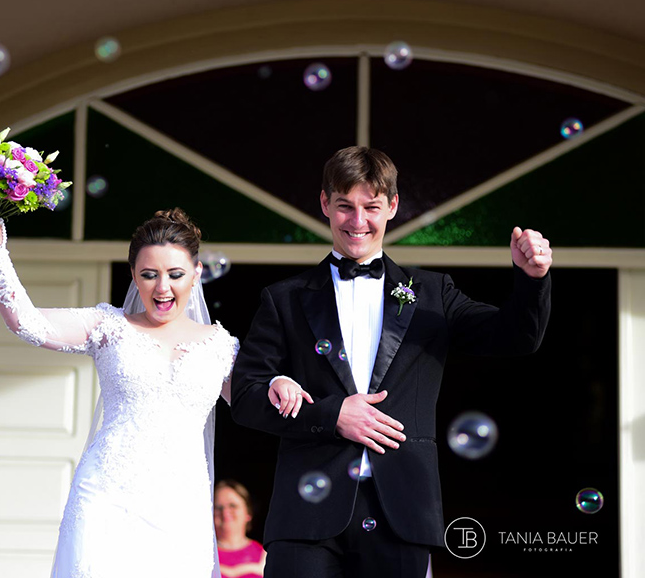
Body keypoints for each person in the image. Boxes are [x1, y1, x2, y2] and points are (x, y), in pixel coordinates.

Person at [229, 147, 552, 578]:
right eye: (344, 206)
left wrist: (532, 280)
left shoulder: (433, 293)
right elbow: (247, 397)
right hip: (305, 519)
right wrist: (331, 414)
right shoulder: (284, 299)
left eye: (371, 207)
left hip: (403, 512)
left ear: (393, 206)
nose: (357, 221)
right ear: (324, 204)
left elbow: (518, 338)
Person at [0, 208, 292, 578]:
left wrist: (276, 381)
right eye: (149, 275)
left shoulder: (221, 347)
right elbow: (26, 322)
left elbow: (254, 398)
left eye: (175, 274)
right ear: (133, 276)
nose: (162, 287)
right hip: (105, 499)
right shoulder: (108, 327)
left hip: (180, 508)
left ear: (196, 273)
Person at [214, 479, 267, 578]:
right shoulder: (203, 555)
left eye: (233, 506)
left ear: (248, 513)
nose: (225, 512)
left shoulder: (264, 555)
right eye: (219, 507)